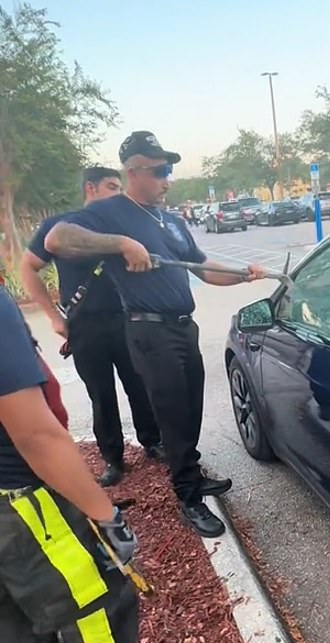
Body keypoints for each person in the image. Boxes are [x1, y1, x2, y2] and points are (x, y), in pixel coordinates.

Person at [0, 286, 179, 643]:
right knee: (92, 594)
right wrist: (105, 518)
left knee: (8, 631)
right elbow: (34, 434)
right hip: (20, 500)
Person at [45, 131, 269, 538]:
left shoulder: (172, 220)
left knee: (192, 406)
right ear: (133, 171)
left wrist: (243, 276)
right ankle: (187, 497)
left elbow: (201, 269)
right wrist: (121, 243)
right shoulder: (112, 211)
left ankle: (192, 474)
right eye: (160, 170)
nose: (168, 178)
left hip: (184, 328)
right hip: (148, 330)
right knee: (172, 414)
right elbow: (56, 239)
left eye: (170, 169)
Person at [21, 167, 165, 488]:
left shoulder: (123, 227)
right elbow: (28, 267)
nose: (118, 193)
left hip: (127, 318)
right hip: (84, 324)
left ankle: (152, 442)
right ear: (91, 188)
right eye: (112, 187)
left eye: (120, 187)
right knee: (100, 394)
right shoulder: (63, 225)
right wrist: (54, 318)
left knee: (139, 383)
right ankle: (113, 459)